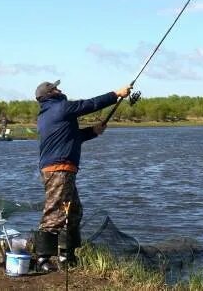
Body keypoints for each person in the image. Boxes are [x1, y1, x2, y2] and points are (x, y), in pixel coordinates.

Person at [33, 79, 131, 271]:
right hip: (58, 169)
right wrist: (116, 94)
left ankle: (67, 255)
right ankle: (42, 259)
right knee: (55, 212)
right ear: (50, 93)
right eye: (56, 88)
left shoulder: (50, 113)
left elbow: (72, 137)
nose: (60, 89)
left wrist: (93, 132)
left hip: (61, 169)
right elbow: (90, 104)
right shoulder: (60, 108)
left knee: (74, 210)